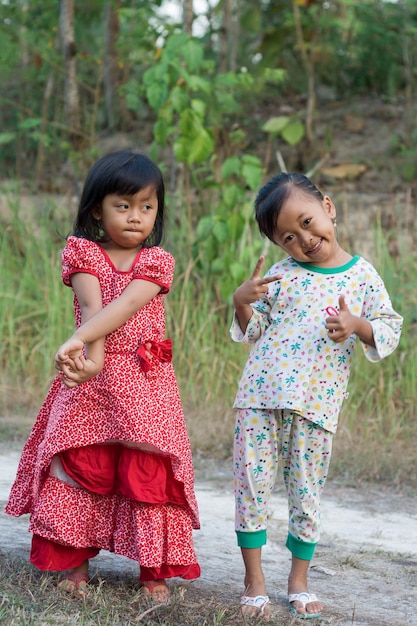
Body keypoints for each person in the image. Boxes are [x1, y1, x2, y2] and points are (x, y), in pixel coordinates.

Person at [6, 150, 200, 602]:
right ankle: (74, 562)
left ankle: (153, 570)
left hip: (144, 384)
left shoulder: (157, 261)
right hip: (89, 383)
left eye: (147, 207)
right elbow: (95, 309)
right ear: (97, 208)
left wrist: (79, 345)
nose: (136, 217)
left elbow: (127, 305)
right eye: (123, 205)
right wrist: (90, 360)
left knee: (148, 470)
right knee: (80, 462)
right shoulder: (82, 252)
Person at [230, 172, 402, 620]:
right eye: (289, 236)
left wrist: (357, 327)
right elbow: (254, 330)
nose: (305, 239)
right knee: (252, 488)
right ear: (279, 245)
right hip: (260, 398)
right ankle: (254, 582)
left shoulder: (362, 276)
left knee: (306, 492)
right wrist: (241, 300)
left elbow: (387, 326)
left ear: (328, 206)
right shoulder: (280, 275)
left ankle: (298, 581)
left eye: (308, 222)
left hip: (315, 406)